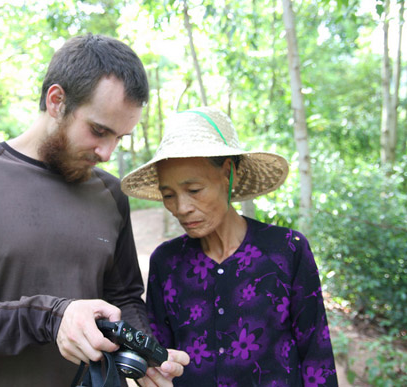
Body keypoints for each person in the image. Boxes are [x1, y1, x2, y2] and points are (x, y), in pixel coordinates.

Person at [0, 34, 189, 387]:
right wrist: (51, 317)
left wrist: (146, 352)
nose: (107, 152)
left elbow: (124, 297)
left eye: (120, 138)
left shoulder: (110, 193)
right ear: (56, 101)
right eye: (99, 130)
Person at [121, 106, 338, 386]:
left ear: (227, 172)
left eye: (194, 190)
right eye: (168, 195)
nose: (181, 208)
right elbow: (162, 356)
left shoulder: (287, 250)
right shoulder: (166, 262)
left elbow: (316, 354)